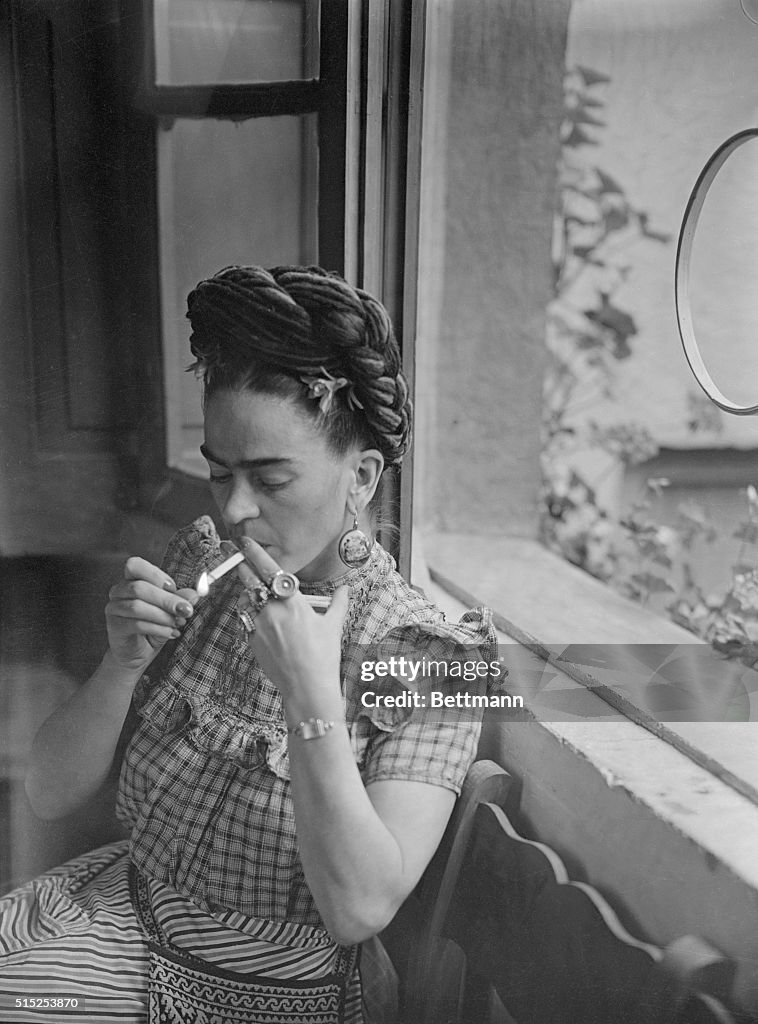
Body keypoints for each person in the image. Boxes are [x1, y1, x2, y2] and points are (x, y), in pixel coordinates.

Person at [0, 265, 496, 1023]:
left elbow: (359, 911)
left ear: (360, 477)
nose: (235, 509)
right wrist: (119, 666)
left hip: (266, 991)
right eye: (220, 472)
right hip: (116, 915)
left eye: (270, 479)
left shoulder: (428, 658)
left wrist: (309, 695)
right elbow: (47, 791)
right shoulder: (198, 569)